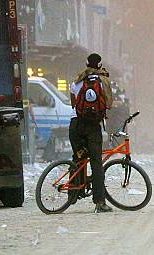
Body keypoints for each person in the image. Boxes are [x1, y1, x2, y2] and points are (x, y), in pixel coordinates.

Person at [69, 53, 113, 213]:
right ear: (100, 65)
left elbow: (73, 104)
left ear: (86, 64)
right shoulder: (104, 81)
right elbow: (109, 103)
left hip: (76, 125)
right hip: (93, 127)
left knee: (78, 158)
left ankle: (73, 194)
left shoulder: (77, 81)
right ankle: (100, 202)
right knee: (96, 163)